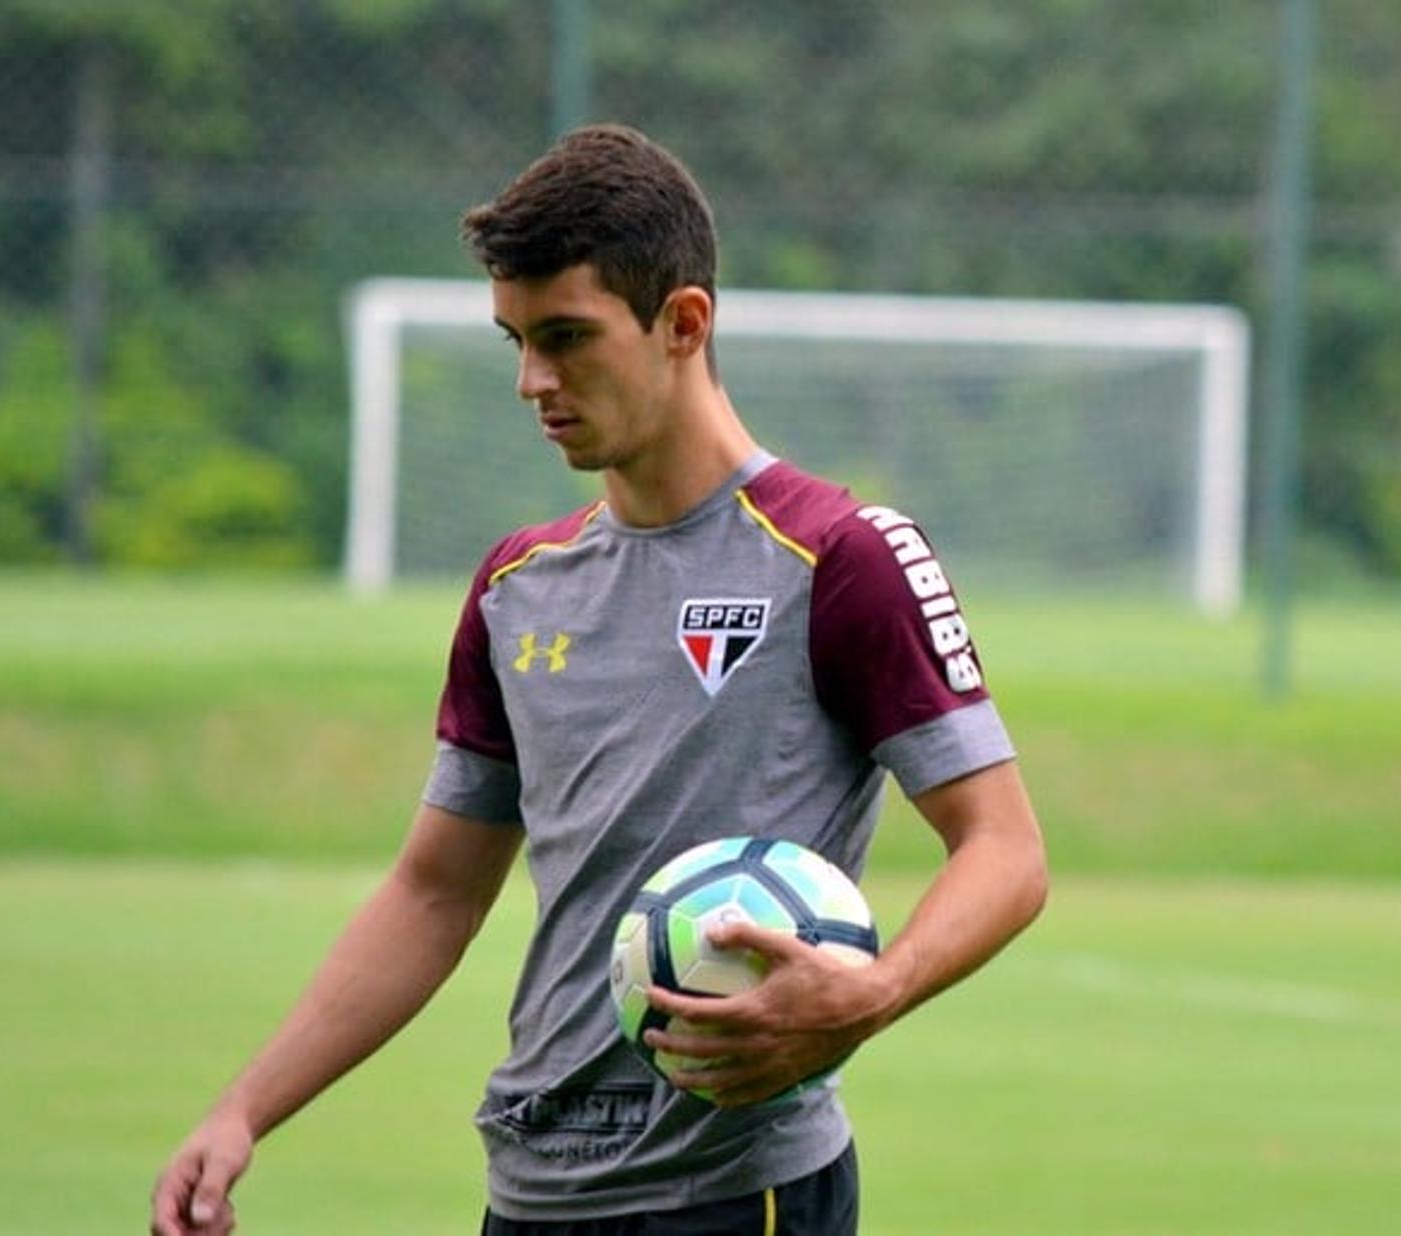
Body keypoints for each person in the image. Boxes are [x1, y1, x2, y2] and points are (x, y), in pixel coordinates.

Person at [150, 123, 1048, 1236]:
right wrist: (244, 1113)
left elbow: (1005, 849)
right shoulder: (516, 589)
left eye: (567, 337)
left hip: (737, 1193)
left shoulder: (840, 556)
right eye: (515, 340)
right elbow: (435, 892)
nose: (533, 380)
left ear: (683, 324)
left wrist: (872, 992)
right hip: (530, 1192)